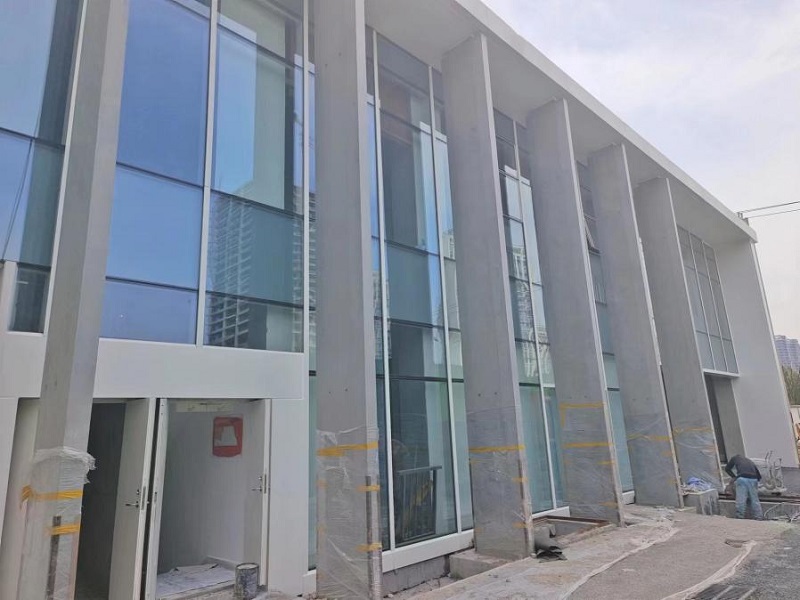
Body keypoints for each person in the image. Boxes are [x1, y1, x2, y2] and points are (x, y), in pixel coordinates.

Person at [724, 454, 763, 520]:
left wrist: (734, 477)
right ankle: (759, 517)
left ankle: (740, 517)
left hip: (742, 479)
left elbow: (727, 469)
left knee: (741, 499)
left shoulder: (734, 458)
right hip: (754, 479)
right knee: (755, 500)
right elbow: (759, 476)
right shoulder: (749, 461)